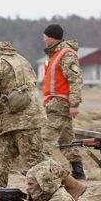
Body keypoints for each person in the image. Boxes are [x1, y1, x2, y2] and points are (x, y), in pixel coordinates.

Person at [0, 34, 85, 201]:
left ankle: (72, 185)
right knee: (0, 157)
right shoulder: (18, 58)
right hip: (18, 119)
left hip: (22, 120)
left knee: (36, 161)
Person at [40, 24, 86, 181]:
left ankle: (38, 171)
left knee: (44, 139)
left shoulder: (66, 55)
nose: (43, 39)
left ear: (52, 38)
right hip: (54, 103)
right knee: (67, 141)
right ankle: (78, 173)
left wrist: (74, 104)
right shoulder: (54, 55)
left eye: (45, 36)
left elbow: (75, 80)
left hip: (60, 104)